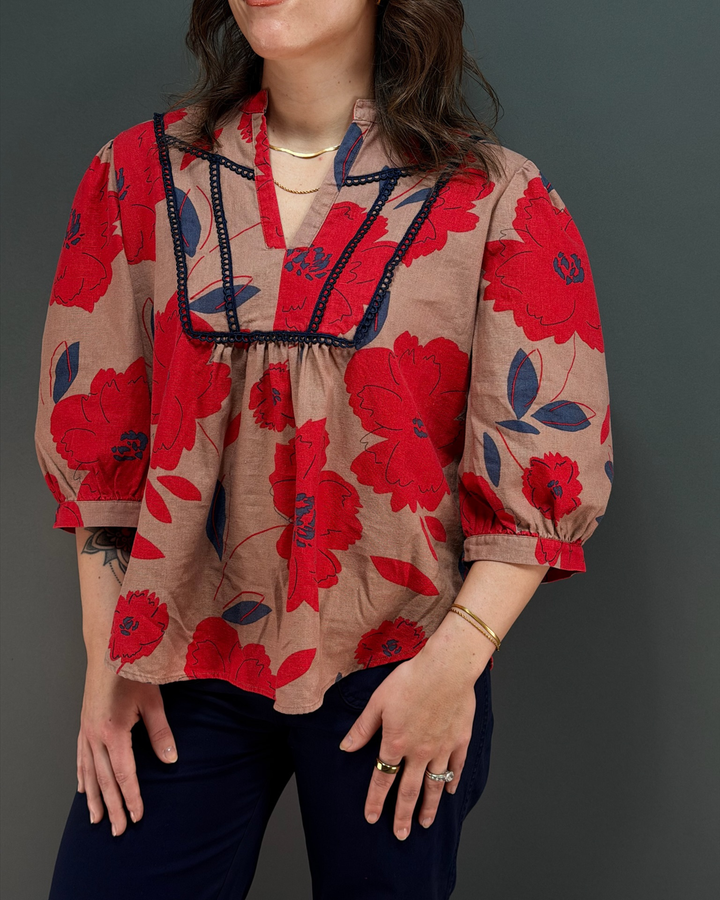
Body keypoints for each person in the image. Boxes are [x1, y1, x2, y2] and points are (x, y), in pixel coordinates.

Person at [34, 0, 614, 897]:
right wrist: (107, 648)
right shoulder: (137, 175)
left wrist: (450, 669)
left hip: (399, 665)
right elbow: (98, 439)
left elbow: (546, 456)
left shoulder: (494, 195)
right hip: (177, 655)